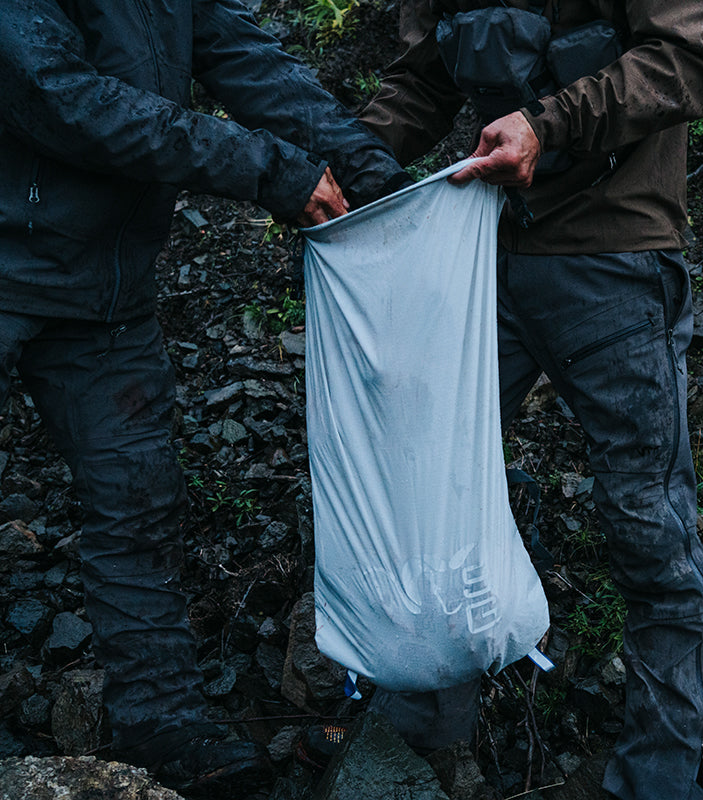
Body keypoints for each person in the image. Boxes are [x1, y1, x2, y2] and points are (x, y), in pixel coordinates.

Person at [0, 0, 408, 794]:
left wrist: (378, 180)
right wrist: (267, 169)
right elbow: (62, 98)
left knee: (138, 508)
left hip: (103, 294)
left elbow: (249, 63)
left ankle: (165, 733)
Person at [358, 1, 703, 798]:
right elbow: (423, 79)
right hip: (473, 253)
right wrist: (341, 167)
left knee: (650, 529)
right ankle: (417, 748)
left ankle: (661, 779)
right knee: (431, 494)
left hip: (615, 264)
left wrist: (549, 123)